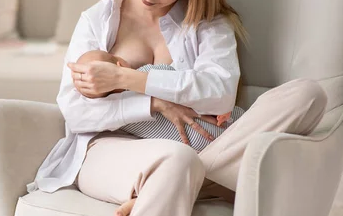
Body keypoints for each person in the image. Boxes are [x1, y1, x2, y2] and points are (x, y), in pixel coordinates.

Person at [28, 0, 327, 216]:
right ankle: (201, 184)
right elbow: (76, 113)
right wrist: (154, 102)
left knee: (308, 95)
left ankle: (168, 192)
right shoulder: (97, 20)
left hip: (208, 143)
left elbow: (219, 97)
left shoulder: (209, 23)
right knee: (178, 162)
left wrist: (129, 78)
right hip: (108, 149)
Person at [75, 49, 245, 152]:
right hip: (226, 124)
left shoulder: (119, 121)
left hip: (198, 150)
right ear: (120, 64)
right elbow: (186, 85)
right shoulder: (148, 71)